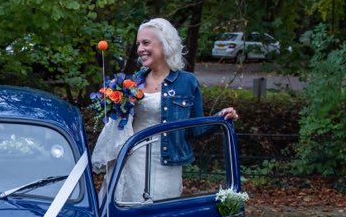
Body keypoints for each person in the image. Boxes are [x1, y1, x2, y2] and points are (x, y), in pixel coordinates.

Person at [93, 17, 238, 202]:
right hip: (132, 161)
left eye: (146, 43)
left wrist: (220, 118)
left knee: (160, 216)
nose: (140, 49)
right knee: (128, 215)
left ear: (165, 44)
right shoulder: (133, 81)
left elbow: (196, 129)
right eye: (138, 44)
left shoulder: (187, 82)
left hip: (167, 165)